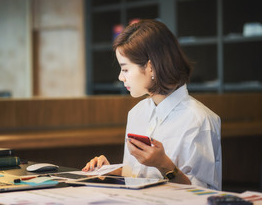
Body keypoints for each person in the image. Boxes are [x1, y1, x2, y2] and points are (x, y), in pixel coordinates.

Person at [82, 19, 222, 190]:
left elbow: (204, 194)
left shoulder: (199, 120)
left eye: (125, 69)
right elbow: (137, 176)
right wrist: (111, 171)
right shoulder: (137, 112)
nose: (120, 77)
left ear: (151, 67)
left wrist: (164, 165)